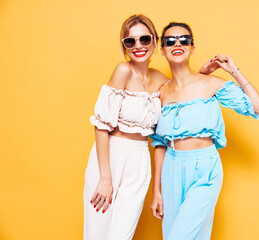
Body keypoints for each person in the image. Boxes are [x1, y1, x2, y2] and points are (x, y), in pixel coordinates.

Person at [150, 22, 259, 240]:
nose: (177, 44)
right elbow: (159, 143)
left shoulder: (210, 84)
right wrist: (156, 190)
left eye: (184, 40)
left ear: (192, 47)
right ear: (162, 49)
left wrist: (233, 71)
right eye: (170, 40)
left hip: (205, 168)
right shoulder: (161, 92)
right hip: (172, 169)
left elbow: (258, 107)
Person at [83, 14, 168, 240]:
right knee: (97, 233)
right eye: (130, 41)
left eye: (144, 39)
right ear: (124, 46)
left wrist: (207, 73)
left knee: (121, 235)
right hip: (110, 155)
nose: (138, 46)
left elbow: (184, 92)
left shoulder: (161, 79)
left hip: (140, 162)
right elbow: (102, 125)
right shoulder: (122, 71)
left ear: (154, 40)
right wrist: (105, 177)